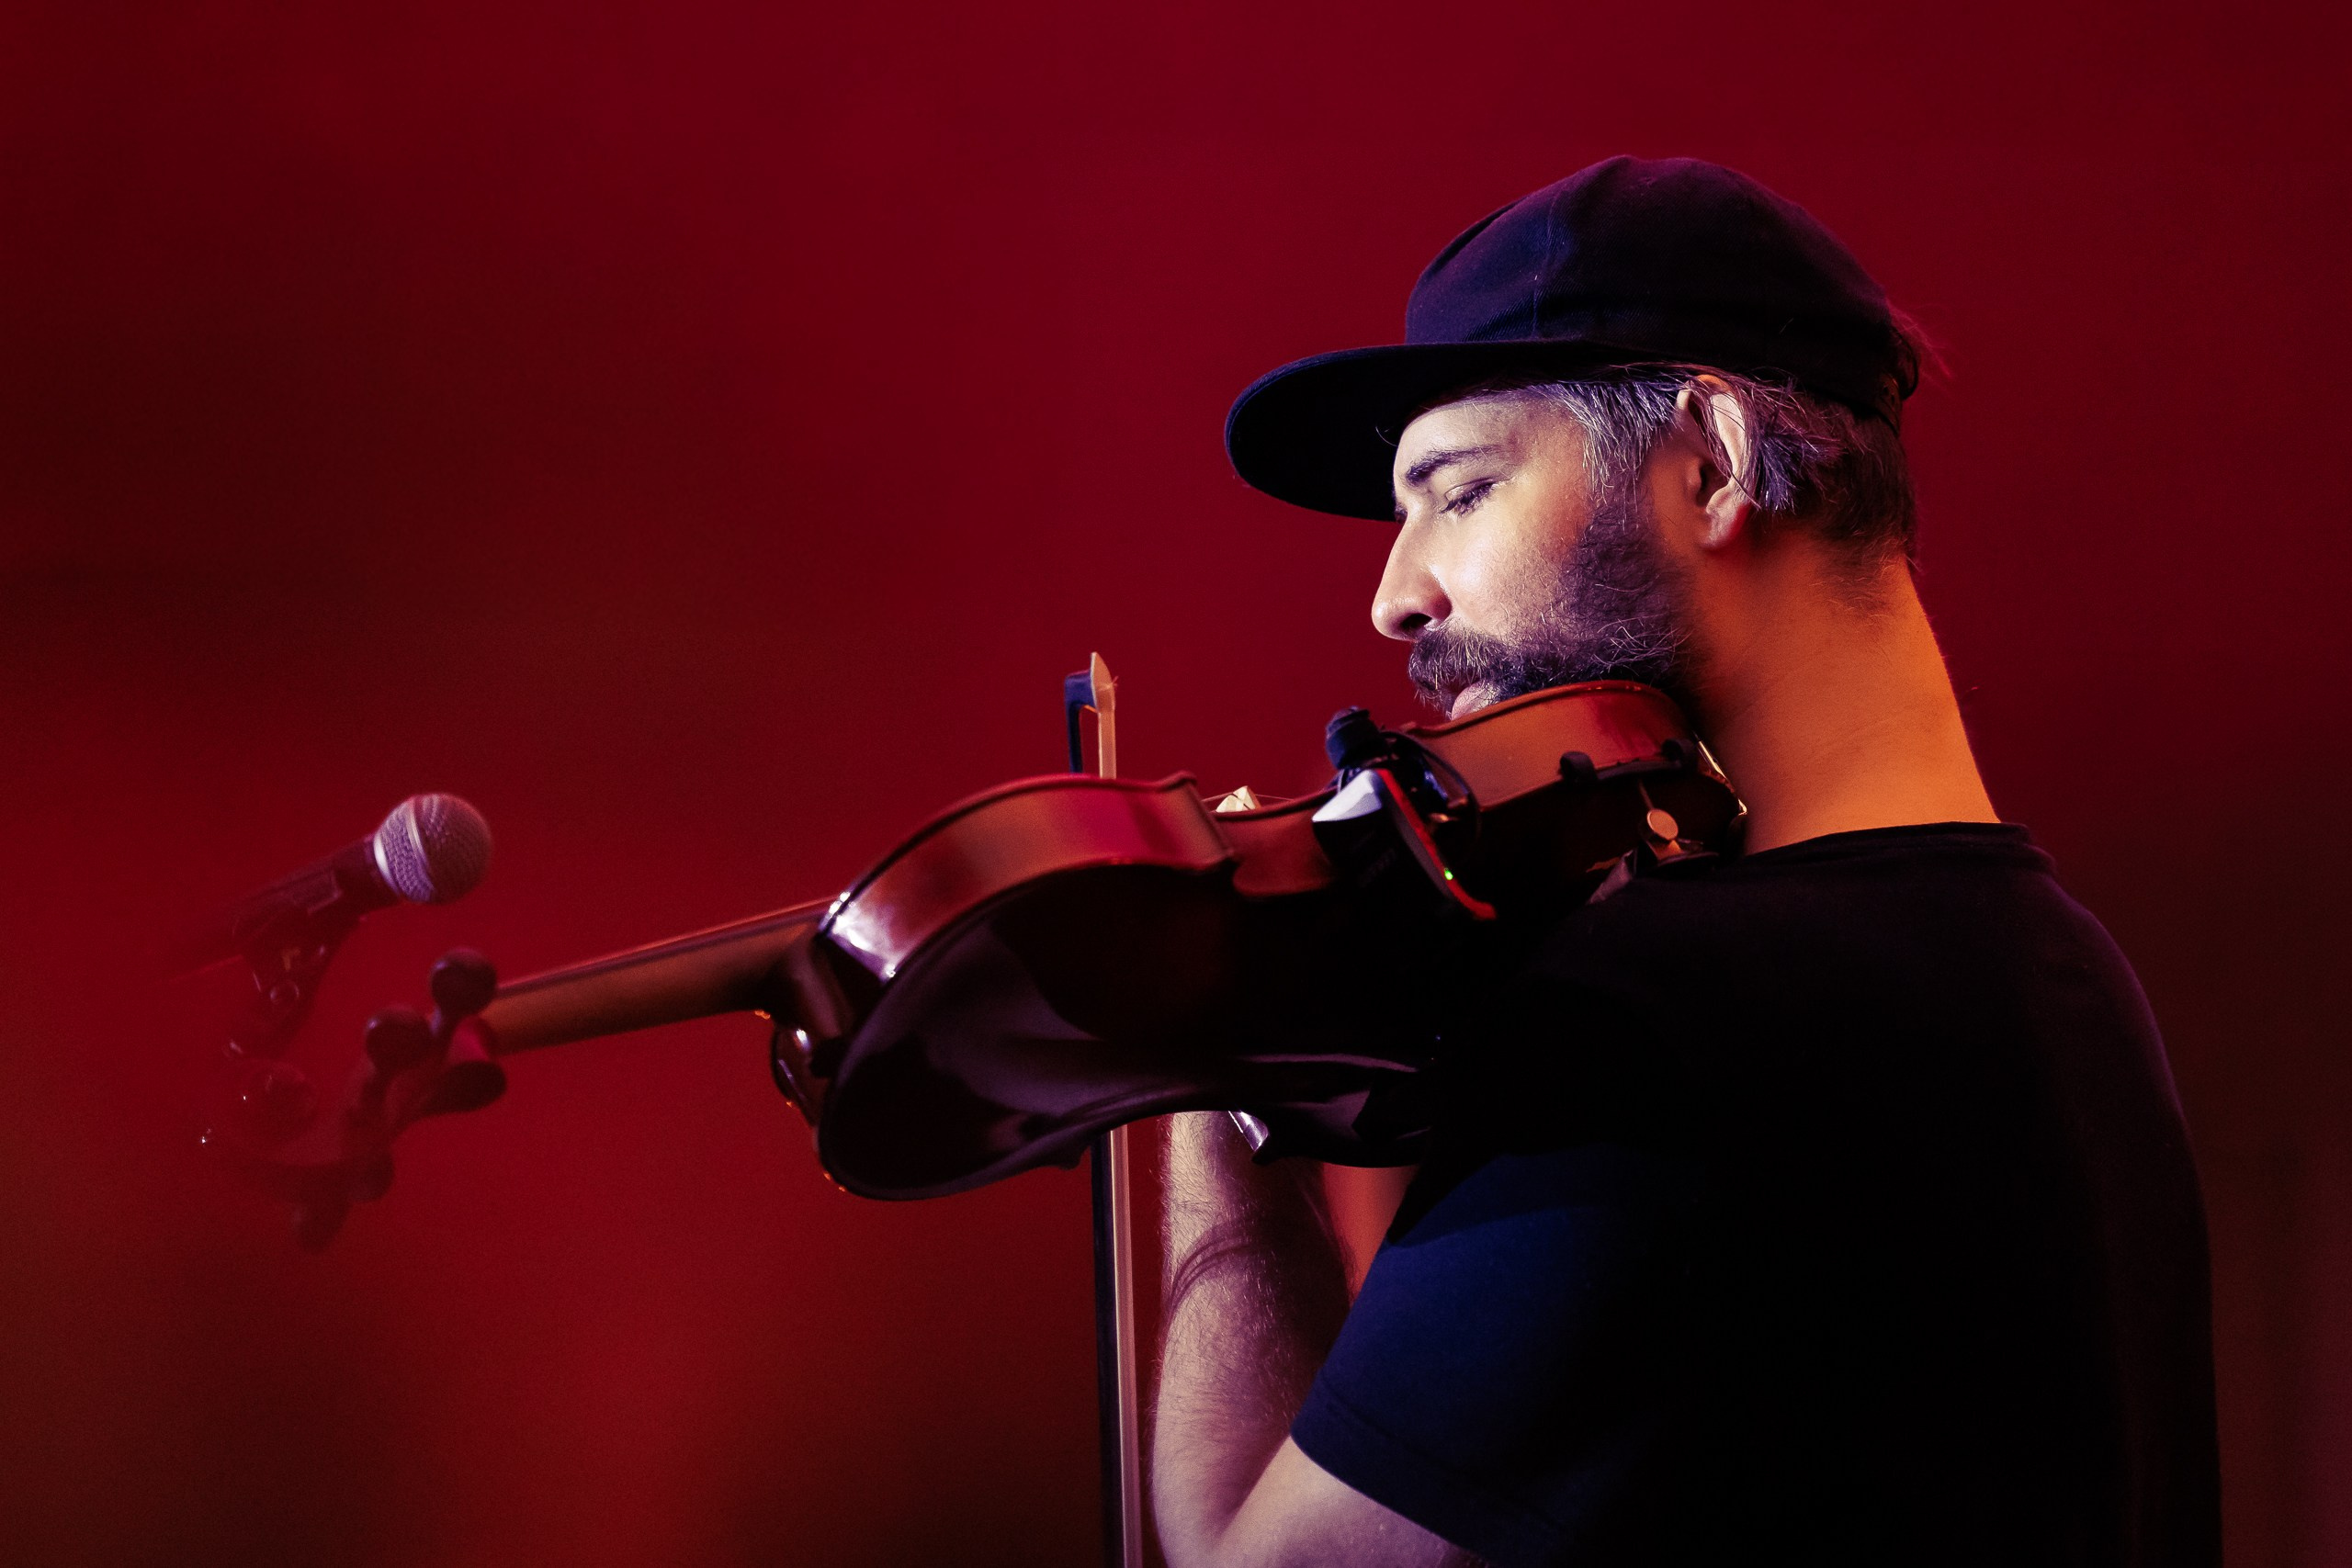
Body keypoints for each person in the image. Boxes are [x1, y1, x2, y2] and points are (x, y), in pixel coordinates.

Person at [1149, 157, 2219, 1568]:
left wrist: (1213, 1105)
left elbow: (1245, 1563)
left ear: (1707, 462)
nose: (1394, 593)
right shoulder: (2069, 973)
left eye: (1457, 493)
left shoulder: (1662, 1018)